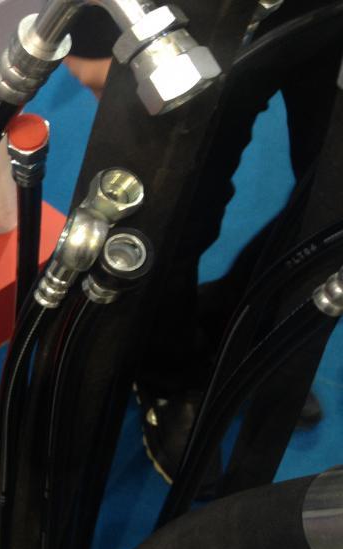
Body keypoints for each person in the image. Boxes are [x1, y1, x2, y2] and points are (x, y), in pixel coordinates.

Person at [65, 4, 338, 492]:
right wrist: (92, 33)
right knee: (181, 212)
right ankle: (168, 372)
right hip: (204, 16)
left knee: (330, 204)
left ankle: (237, 325)